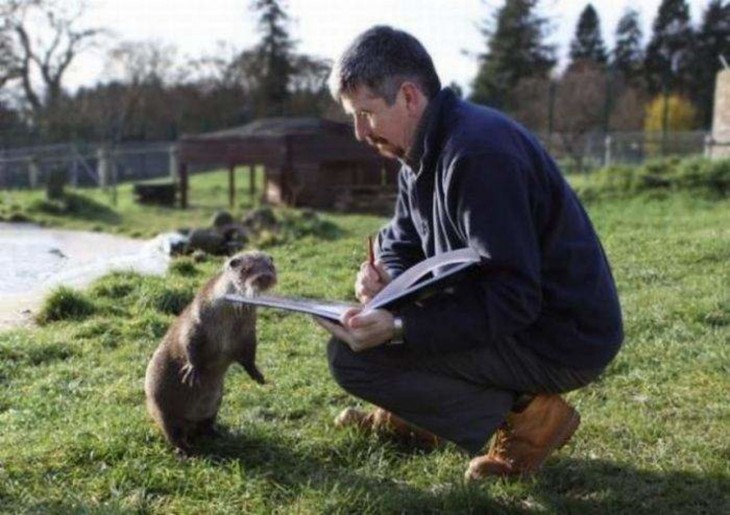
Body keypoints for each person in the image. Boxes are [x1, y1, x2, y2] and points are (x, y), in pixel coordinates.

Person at [315, 25, 623, 480]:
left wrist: (401, 325)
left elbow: (515, 297)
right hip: (512, 316)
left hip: (559, 335)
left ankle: (532, 418)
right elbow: (401, 241)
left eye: (366, 113)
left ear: (408, 96)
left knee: (354, 359)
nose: (360, 132)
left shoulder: (479, 153)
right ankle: (423, 417)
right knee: (357, 346)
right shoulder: (416, 151)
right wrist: (386, 286)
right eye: (352, 117)